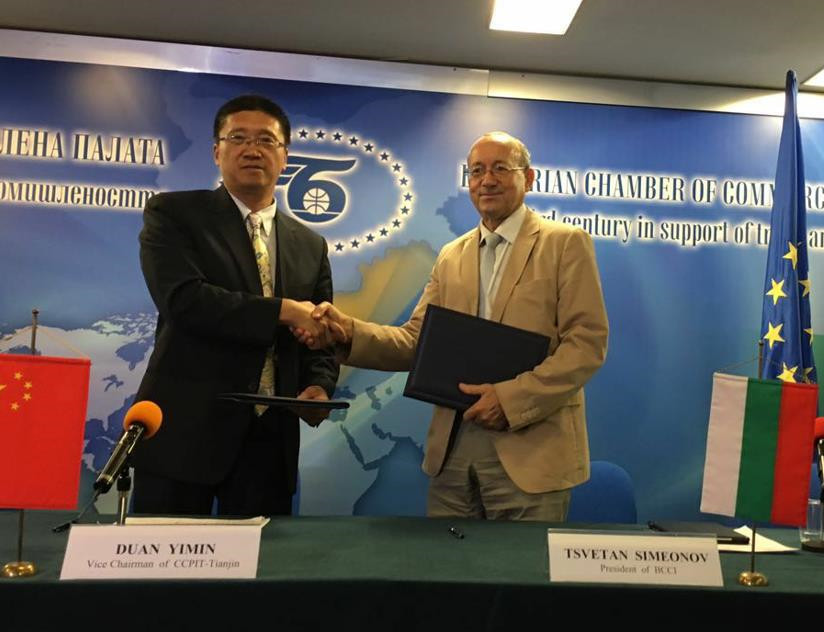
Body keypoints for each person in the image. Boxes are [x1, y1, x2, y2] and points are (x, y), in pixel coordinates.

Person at [305, 131, 608, 521]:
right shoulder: (452, 255)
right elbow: (416, 341)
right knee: (446, 561)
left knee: (520, 563)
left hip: (531, 451)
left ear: (529, 178)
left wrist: (510, 400)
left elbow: (586, 344)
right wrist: (349, 331)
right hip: (453, 454)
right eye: (477, 171)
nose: (487, 180)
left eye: (501, 168)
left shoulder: (565, 243)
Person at [132, 94, 339, 517]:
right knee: (160, 555)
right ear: (216, 152)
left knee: (261, 558)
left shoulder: (310, 245)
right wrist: (284, 310)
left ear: (285, 157)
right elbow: (184, 301)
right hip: (184, 432)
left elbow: (321, 331)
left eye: (266, 140)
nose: (252, 149)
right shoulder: (174, 214)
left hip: (269, 440)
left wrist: (319, 385)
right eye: (238, 138)